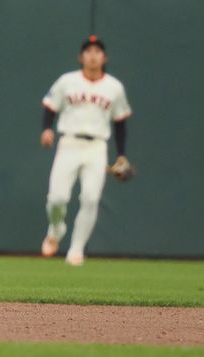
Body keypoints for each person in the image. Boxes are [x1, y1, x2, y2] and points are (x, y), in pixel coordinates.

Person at [39, 35, 132, 266]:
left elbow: (120, 122)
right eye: (88, 51)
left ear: (104, 57)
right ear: (81, 57)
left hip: (97, 147)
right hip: (69, 142)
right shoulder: (67, 81)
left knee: (90, 199)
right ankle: (56, 228)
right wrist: (46, 130)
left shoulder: (114, 87)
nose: (93, 55)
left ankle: (76, 251)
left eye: (97, 51)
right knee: (57, 198)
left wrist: (121, 154)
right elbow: (50, 107)